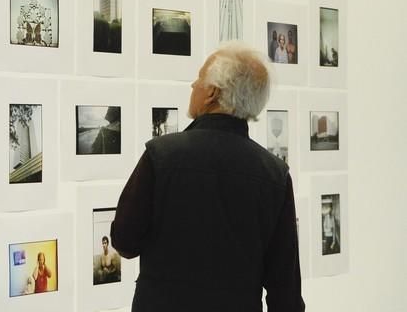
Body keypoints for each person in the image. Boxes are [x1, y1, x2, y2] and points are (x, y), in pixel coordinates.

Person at [111, 42, 304, 311]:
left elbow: (124, 242)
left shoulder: (161, 155)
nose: (193, 85)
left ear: (212, 92)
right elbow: (285, 290)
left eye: (199, 78)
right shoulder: (275, 174)